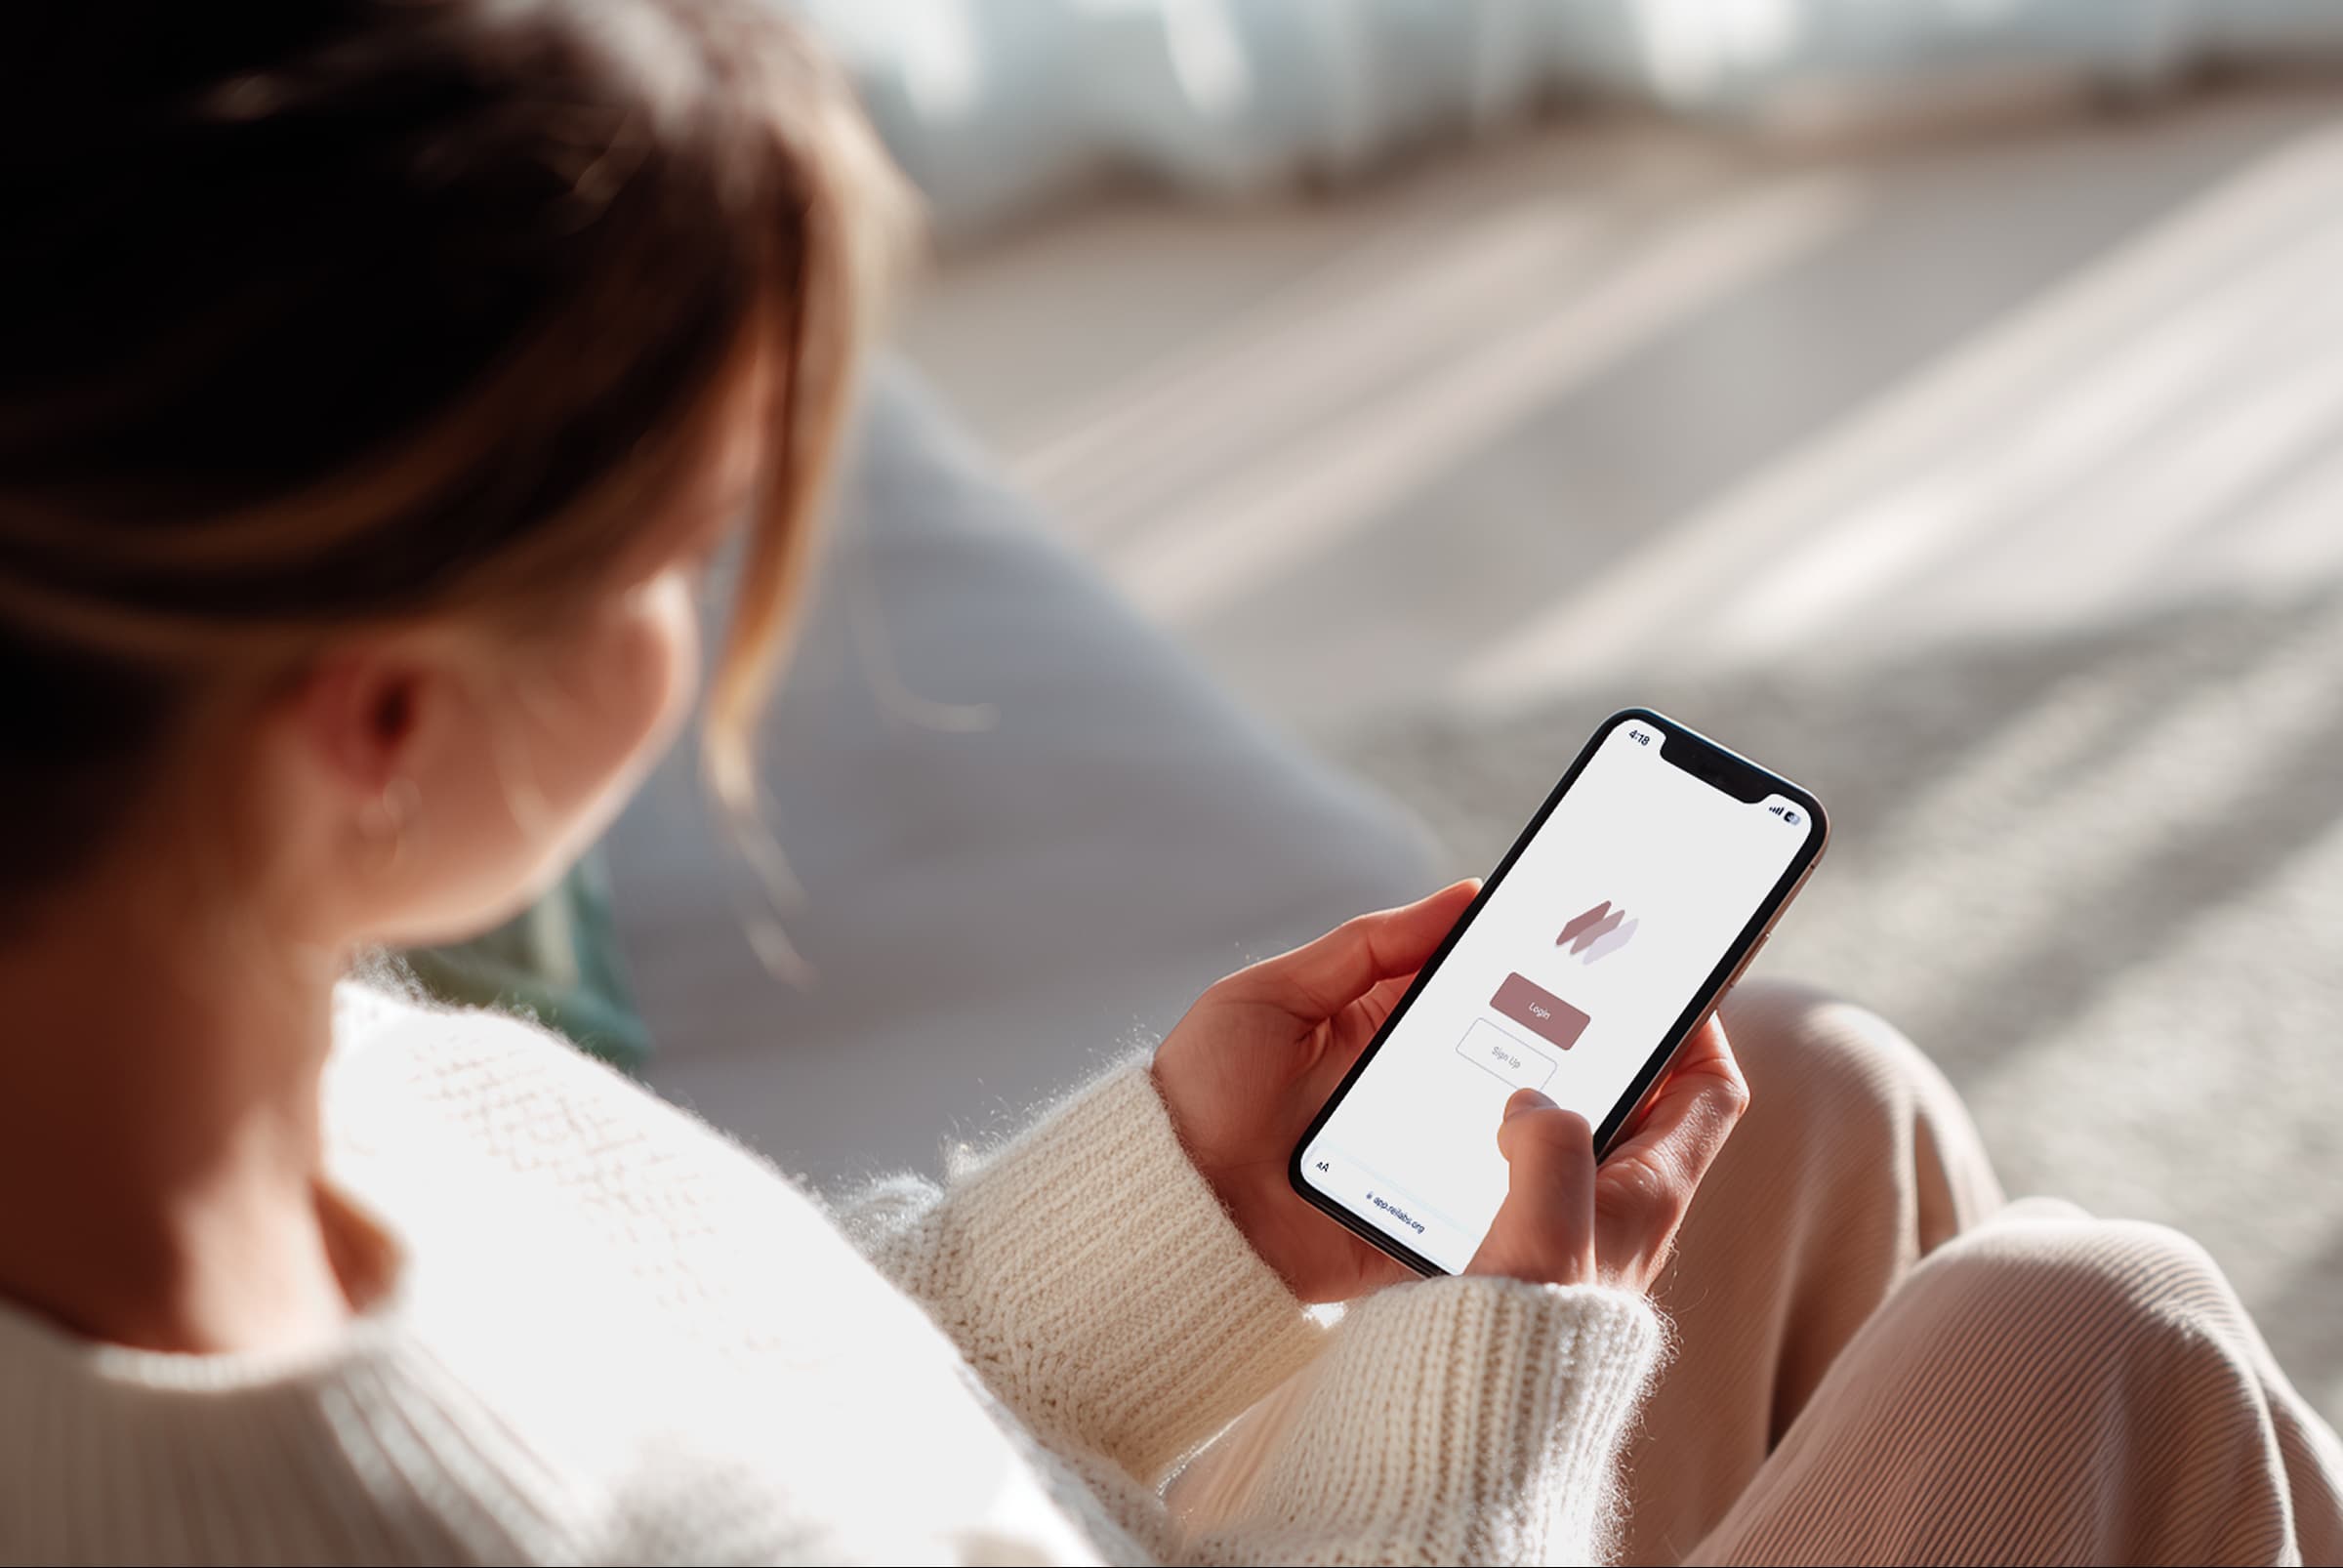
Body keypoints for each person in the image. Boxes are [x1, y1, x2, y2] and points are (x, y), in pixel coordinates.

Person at [0, 4, 2334, 1563]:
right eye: (683, 551)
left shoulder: (335, 1067)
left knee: (1788, 1095)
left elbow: (813, 1414)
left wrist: (1194, 1210)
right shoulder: (337, 1507)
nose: (723, 613)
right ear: (378, 711)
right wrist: (1485, 1394)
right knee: (2078, 1335)